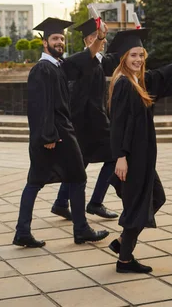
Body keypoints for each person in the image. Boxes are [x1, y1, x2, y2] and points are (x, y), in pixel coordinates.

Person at [106, 29, 172, 273]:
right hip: (131, 157)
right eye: (133, 56)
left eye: (141, 55)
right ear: (123, 58)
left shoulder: (139, 80)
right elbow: (118, 123)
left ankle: (122, 244)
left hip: (143, 156)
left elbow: (165, 72)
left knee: (154, 198)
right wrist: (120, 157)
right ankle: (125, 260)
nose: (138, 59)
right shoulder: (123, 85)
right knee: (138, 205)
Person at [13, 18, 110, 248]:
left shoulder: (59, 66)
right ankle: (80, 229)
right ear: (44, 42)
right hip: (54, 136)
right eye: (55, 38)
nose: (60, 42)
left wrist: (101, 37)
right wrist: (48, 136)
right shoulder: (42, 69)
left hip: (56, 134)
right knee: (73, 178)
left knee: (38, 182)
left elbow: (87, 55)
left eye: (62, 39)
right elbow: (40, 106)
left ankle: (23, 232)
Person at [51, 18, 120, 221]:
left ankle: (61, 203)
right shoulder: (82, 60)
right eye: (100, 38)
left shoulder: (97, 60)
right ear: (91, 38)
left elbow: (113, 61)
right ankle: (96, 202)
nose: (104, 42)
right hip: (89, 123)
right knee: (114, 157)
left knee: (80, 162)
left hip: (89, 123)